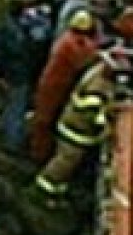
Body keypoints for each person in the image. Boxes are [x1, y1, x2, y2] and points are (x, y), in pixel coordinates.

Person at [35, 51, 127, 206]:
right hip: (75, 132)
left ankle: (57, 192)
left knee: (68, 166)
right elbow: (95, 115)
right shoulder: (97, 87)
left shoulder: (97, 73)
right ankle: (42, 191)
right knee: (65, 163)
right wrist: (108, 125)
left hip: (74, 127)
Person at [30, 9, 101, 163]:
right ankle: (39, 156)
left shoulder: (69, 39)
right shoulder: (72, 42)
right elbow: (83, 60)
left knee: (47, 120)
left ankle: (43, 154)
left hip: (57, 85)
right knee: (45, 121)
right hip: (54, 87)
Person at [0, 1, 33, 155]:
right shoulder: (14, 32)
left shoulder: (4, 30)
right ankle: (12, 143)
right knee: (15, 109)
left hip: (12, 75)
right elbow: (0, 57)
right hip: (15, 76)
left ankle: (8, 139)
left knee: (10, 109)